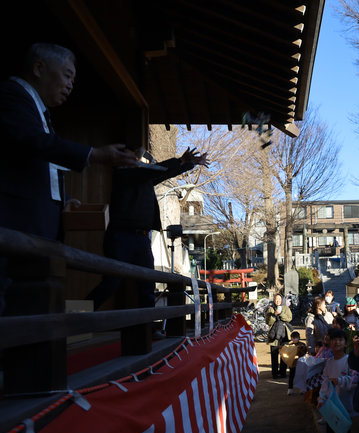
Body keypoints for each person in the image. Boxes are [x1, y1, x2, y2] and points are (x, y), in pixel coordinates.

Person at [0, 43, 137, 240]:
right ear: (39, 68)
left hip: (35, 221)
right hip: (16, 220)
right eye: (67, 76)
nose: (70, 85)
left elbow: (40, 161)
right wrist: (94, 154)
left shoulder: (37, 108)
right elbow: (35, 142)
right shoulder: (12, 94)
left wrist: (62, 200)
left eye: (72, 80)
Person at [86, 148, 208, 311]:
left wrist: (189, 164)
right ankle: (76, 315)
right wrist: (180, 160)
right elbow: (154, 171)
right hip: (121, 236)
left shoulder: (144, 178)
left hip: (142, 238)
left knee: (147, 285)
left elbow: (164, 173)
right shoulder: (124, 174)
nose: (137, 160)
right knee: (110, 283)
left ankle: (148, 325)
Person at [318, 328, 356, 433]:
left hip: (345, 405)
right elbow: (324, 383)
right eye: (334, 339)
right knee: (330, 432)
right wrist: (321, 399)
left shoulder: (349, 361)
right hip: (331, 406)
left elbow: (354, 381)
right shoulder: (329, 363)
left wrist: (340, 380)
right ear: (329, 342)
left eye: (340, 339)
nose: (337, 342)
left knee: (345, 432)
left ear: (346, 343)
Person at [266, 293, 292, 378]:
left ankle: (283, 372)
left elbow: (289, 318)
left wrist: (281, 314)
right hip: (274, 334)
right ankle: (275, 373)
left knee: (284, 354)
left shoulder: (286, 308)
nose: (278, 301)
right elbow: (268, 322)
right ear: (273, 300)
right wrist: (274, 314)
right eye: (276, 299)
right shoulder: (270, 309)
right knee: (274, 354)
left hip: (284, 334)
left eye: (279, 299)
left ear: (282, 300)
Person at [283, 331, 307, 395]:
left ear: (299, 337)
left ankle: (302, 389)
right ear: (291, 338)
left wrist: (300, 349)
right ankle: (290, 389)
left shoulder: (302, 345)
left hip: (301, 363)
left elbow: (304, 352)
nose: (295, 339)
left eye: (296, 337)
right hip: (292, 363)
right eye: (293, 338)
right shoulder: (289, 345)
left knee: (301, 376)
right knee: (291, 376)